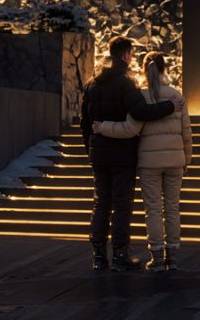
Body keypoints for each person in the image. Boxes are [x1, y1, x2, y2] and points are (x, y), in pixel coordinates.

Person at [79, 36, 177, 273]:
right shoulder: (125, 83)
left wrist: (90, 149)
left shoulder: (92, 84)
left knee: (101, 203)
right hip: (123, 155)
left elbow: (85, 122)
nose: (132, 58)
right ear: (125, 55)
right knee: (122, 204)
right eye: (131, 54)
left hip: (99, 154)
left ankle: (99, 255)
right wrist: (170, 106)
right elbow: (141, 111)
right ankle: (121, 255)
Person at [136, 51, 190, 273]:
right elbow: (187, 132)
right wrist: (186, 158)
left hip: (149, 161)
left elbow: (133, 128)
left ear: (144, 69)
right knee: (172, 208)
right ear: (165, 68)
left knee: (153, 209)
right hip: (175, 160)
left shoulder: (141, 96)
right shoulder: (176, 95)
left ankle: (156, 257)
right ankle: (173, 257)